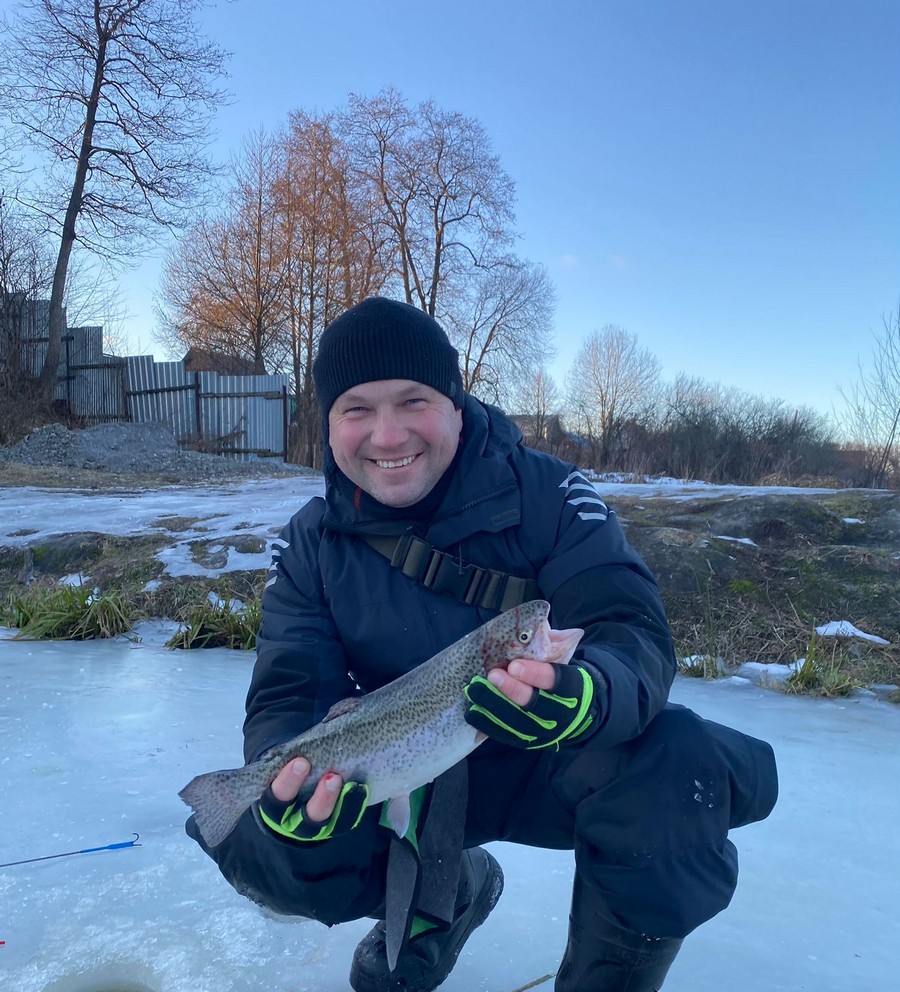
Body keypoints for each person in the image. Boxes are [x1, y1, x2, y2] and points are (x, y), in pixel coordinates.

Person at [186, 297, 778, 992]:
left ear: (457, 405)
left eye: (414, 400)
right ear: (328, 424)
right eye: (356, 409)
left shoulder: (553, 494)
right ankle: (445, 895)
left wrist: (588, 697)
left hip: (549, 765)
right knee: (266, 840)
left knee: (679, 763)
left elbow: (627, 626)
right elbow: (291, 692)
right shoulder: (310, 543)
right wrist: (287, 789)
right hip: (396, 770)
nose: (387, 434)